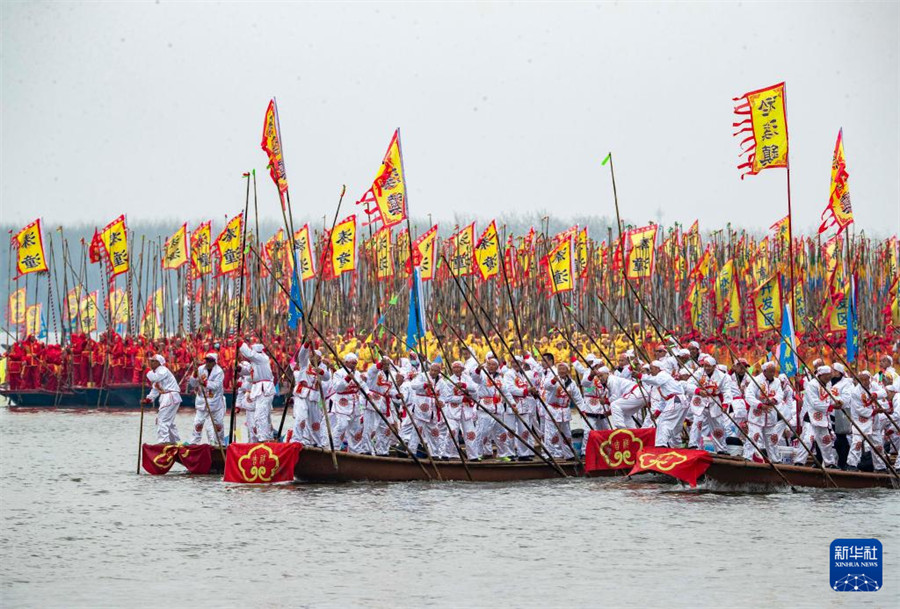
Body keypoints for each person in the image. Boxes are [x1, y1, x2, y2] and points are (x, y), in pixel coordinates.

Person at [795, 366, 840, 468]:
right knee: (808, 440)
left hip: (823, 418)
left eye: (830, 375)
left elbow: (828, 399)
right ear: (821, 375)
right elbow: (815, 403)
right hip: (810, 416)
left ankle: (830, 463)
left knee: (826, 440)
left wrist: (837, 402)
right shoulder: (812, 385)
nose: (830, 377)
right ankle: (799, 462)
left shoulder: (828, 384)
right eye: (828, 375)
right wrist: (831, 406)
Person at [471, 357, 513, 460]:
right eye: (489, 364)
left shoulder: (500, 378)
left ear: (497, 366)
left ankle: (503, 454)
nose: (491, 366)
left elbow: (505, 391)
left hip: (498, 409)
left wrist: (513, 404)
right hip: (485, 408)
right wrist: (478, 369)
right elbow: (475, 378)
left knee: (501, 433)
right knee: (482, 432)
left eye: (493, 364)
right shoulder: (483, 375)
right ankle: (477, 454)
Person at [846, 371, 889, 472]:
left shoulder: (874, 385)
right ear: (859, 380)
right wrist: (874, 411)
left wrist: (875, 394)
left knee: (878, 445)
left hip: (874, 422)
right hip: (861, 421)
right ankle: (851, 465)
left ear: (870, 378)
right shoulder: (855, 392)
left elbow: (885, 392)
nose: (865, 382)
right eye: (862, 380)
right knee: (857, 443)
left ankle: (880, 467)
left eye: (866, 379)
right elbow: (859, 409)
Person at [638, 360, 687, 448]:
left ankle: (661, 446)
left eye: (651, 369)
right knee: (676, 427)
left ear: (657, 368)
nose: (650, 371)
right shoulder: (662, 382)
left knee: (664, 422)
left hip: (675, 401)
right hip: (679, 402)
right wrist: (657, 413)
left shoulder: (662, 375)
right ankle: (677, 447)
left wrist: (640, 375)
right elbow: (663, 400)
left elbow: (654, 381)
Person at [743, 361, 785, 462]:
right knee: (754, 436)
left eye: (773, 372)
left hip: (770, 414)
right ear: (764, 371)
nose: (772, 374)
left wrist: (774, 400)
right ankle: (747, 457)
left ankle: (775, 459)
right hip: (757, 414)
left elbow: (780, 394)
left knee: (772, 439)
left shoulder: (777, 382)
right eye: (770, 372)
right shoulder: (756, 380)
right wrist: (760, 405)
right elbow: (748, 395)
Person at [686, 355, 729, 453]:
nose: (706, 368)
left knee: (717, 426)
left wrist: (726, 404)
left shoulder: (722, 376)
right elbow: (688, 384)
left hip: (714, 402)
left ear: (714, 366)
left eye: (709, 366)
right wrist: (697, 390)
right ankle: (693, 445)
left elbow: (727, 390)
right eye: (705, 366)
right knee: (697, 422)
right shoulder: (699, 372)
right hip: (700, 400)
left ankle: (721, 449)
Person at [291, 343, 331, 446]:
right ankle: (296, 440)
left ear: (319, 358)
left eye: (315, 357)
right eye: (311, 356)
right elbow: (301, 354)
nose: (313, 359)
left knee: (315, 421)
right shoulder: (305, 363)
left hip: (313, 396)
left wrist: (321, 372)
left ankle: (317, 442)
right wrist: (306, 344)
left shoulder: (322, 366)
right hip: (302, 394)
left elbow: (327, 377)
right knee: (301, 417)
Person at [540, 362, 580, 459]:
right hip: (553, 410)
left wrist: (582, 410)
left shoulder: (572, 383)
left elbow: (577, 397)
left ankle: (569, 454)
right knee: (551, 433)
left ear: (567, 371)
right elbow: (546, 386)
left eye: (563, 369)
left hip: (565, 411)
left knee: (566, 434)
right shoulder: (553, 379)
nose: (561, 371)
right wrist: (553, 381)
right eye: (560, 369)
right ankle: (549, 454)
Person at [503, 356, 541, 460]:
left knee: (524, 431)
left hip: (524, 406)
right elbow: (509, 388)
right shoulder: (508, 374)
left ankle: (523, 454)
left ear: (522, 363)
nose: (516, 364)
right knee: (510, 431)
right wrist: (526, 391)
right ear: (511, 363)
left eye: (518, 362)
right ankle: (510, 453)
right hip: (512, 405)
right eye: (514, 362)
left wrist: (532, 392)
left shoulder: (524, 375)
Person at [328, 353, 367, 453]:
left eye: (355, 363)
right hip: (343, 404)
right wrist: (347, 378)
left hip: (356, 404)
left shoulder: (358, 374)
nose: (354, 365)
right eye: (352, 363)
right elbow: (337, 388)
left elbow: (363, 386)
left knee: (356, 429)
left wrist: (368, 393)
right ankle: (334, 448)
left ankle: (355, 451)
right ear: (346, 363)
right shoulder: (338, 373)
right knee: (342, 425)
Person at [239, 339, 276, 441]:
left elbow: (249, 354)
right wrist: (239, 369)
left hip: (264, 389)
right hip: (260, 390)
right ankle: (267, 436)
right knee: (264, 415)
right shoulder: (256, 362)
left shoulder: (261, 358)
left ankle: (263, 438)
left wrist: (240, 343)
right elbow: (248, 371)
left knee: (260, 415)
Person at [141, 354, 183, 444]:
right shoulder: (156, 372)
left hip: (170, 396)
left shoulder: (162, 370)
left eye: (153, 361)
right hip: (167, 397)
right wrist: (148, 399)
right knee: (169, 421)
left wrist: (147, 370)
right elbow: (155, 389)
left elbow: (155, 378)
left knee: (162, 419)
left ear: (158, 363)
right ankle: (174, 441)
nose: (150, 363)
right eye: (150, 361)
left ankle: (163, 441)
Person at [186, 353, 226, 445]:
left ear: (214, 362)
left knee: (218, 424)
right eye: (207, 360)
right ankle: (194, 443)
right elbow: (193, 384)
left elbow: (216, 386)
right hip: (202, 401)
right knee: (198, 423)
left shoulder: (219, 372)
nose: (207, 363)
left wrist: (204, 383)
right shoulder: (200, 369)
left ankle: (220, 443)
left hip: (215, 403)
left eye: (210, 361)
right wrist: (195, 375)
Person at [443, 360, 479, 459]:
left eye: (458, 367)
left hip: (467, 411)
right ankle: (447, 454)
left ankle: (473, 456)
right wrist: (462, 399)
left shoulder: (468, 379)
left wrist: (465, 386)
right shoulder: (449, 381)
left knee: (470, 433)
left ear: (462, 369)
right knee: (452, 432)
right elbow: (447, 398)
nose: (456, 369)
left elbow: (475, 390)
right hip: (453, 411)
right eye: (454, 368)